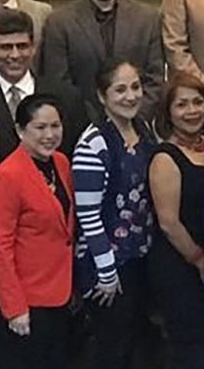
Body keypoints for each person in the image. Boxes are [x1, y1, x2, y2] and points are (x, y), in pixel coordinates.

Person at [72, 59, 157, 369]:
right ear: (101, 96)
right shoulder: (93, 143)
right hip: (106, 269)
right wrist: (107, 272)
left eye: (135, 87)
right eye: (120, 89)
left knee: (137, 347)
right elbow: (88, 215)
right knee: (111, 350)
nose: (131, 96)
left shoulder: (143, 130)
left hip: (138, 259)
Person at [0, 93, 75, 369]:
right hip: (23, 300)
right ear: (20, 130)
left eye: (55, 126)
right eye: (40, 127)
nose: (49, 134)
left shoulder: (61, 163)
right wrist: (14, 308)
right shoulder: (8, 175)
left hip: (58, 292)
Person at [148, 72, 204, 369]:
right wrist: (201, 262)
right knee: (194, 351)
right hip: (182, 266)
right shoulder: (165, 157)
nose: (192, 111)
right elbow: (169, 223)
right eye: (182, 105)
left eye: (198, 102)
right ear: (168, 112)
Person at [40, 0, 163, 125]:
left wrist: (132, 121)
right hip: (81, 129)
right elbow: (59, 85)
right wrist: (97, 125)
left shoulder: (147, 19)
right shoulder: (59, 23)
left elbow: (155, 80)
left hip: (137, 130)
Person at [0, 8, 86, 157]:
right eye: (6, 47)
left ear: (34, 47)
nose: (15, 55)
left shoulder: (67, 97)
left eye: (22, 46)